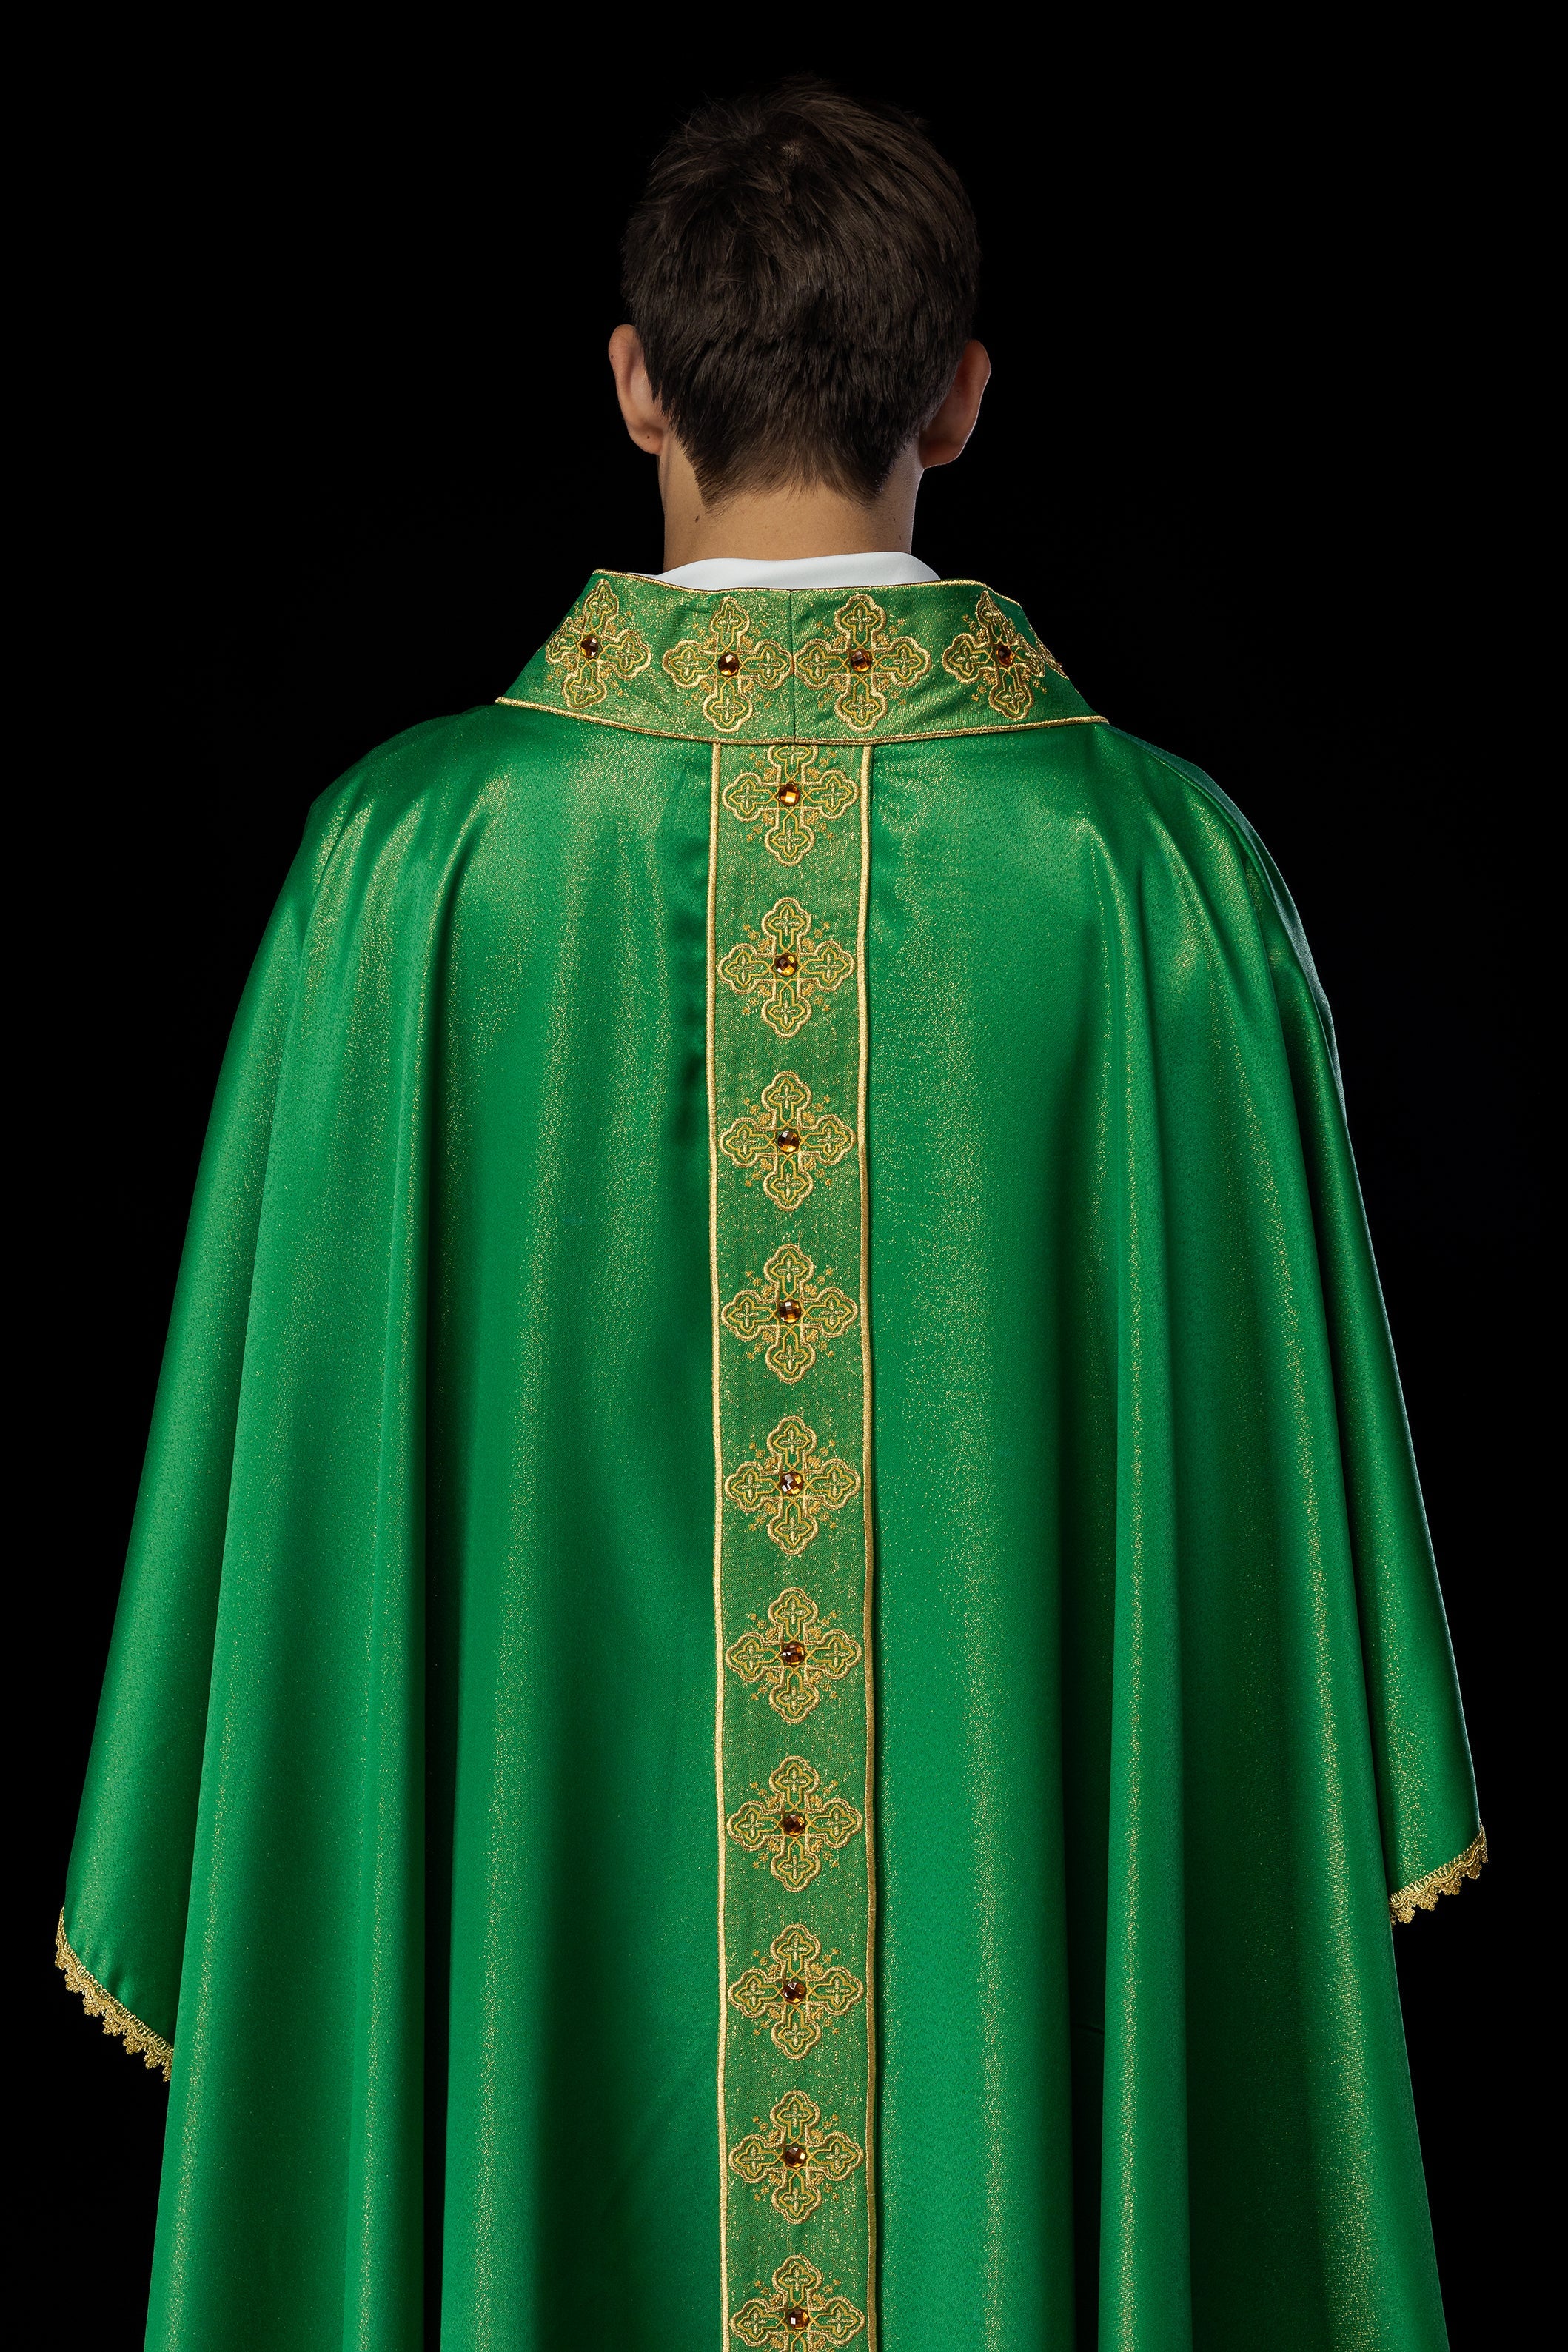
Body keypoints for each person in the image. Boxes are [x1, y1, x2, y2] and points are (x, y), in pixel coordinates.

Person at [58, 78, 1482, 2352]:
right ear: (962, 392)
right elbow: (1268, 1636)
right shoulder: (1150, 884)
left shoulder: (406, 878)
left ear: (632, 379)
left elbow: (293, 1592)